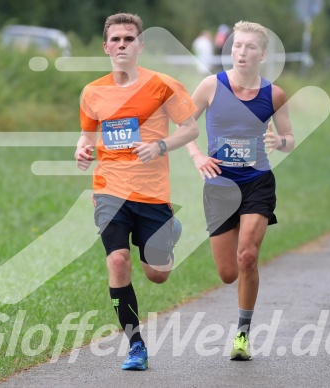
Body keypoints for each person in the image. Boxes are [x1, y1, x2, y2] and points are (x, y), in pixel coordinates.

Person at [75, 13, 199, 370]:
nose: (122, 45)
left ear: (140, 46)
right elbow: (88, 134)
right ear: (106, 47)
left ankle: (170, 229)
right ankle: (135, 346)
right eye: (116, 39)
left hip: (152, 193)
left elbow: (189, 129)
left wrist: (160, 147)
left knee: (157, 274)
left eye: (129, 39)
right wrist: (82, 149)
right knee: (117, 260)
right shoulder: (93, 92)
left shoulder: (164, 85)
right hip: (109, 188)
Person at [185, 21, 295, 361]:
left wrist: (280, 141)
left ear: (262, 54)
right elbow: (184, 123)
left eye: (249, 47)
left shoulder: (273, 94)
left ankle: (242, 335)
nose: (241, 52)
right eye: (236, 46)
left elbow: (290, 139)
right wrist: (198, 156)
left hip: (257, 182)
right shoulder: (210, 86)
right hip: (219, 186)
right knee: (228, 273)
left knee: (247, 256)